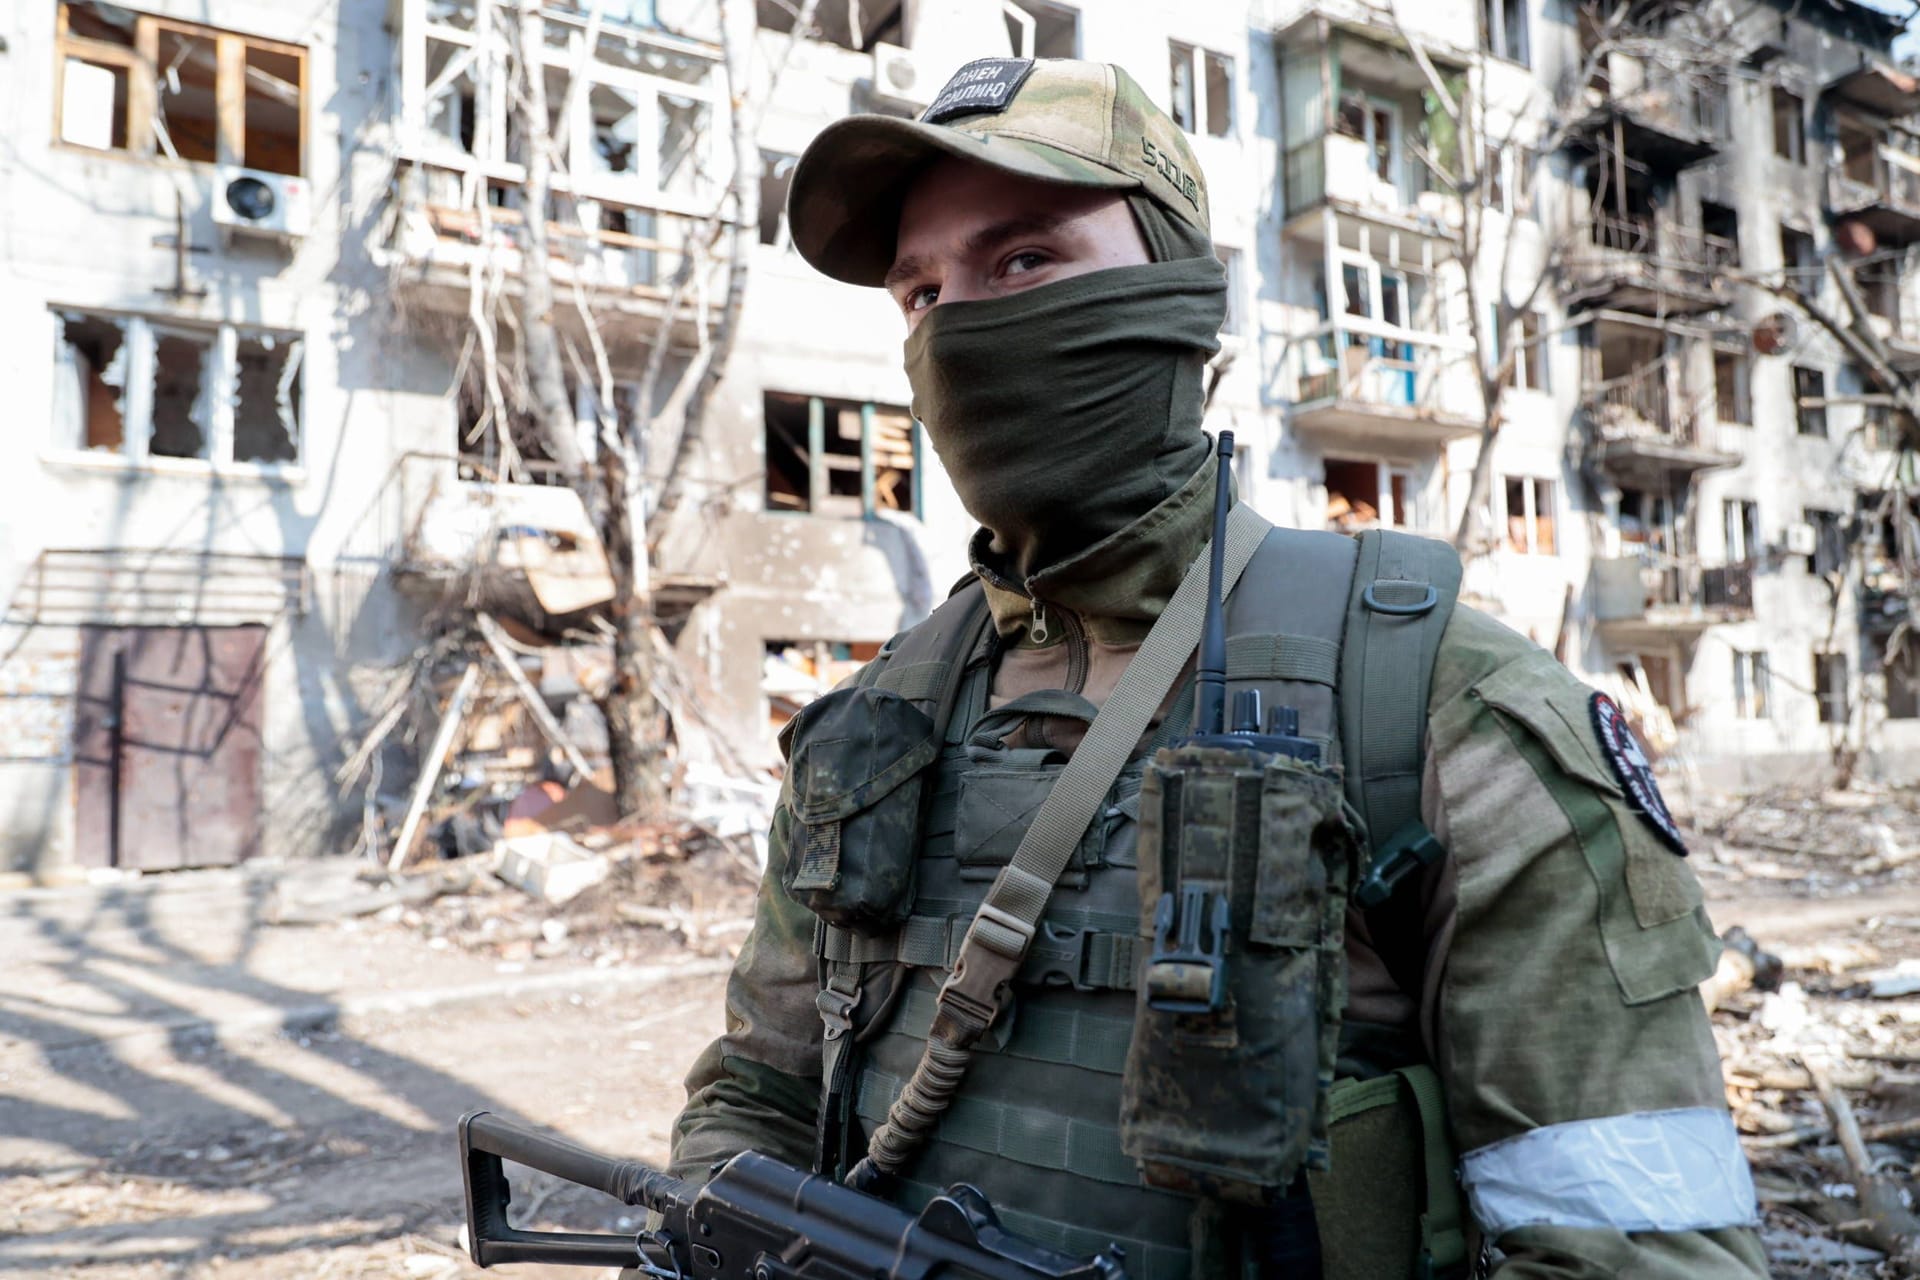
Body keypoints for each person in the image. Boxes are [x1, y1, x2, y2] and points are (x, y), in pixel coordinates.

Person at [668, 57, 1769, 1279]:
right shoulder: (882, 715)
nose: (961, 327)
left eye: (1024, 261)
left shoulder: (1438, 700)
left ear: (1182, 301)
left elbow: (1639, 1249)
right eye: (921, 292)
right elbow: (759, 1085)